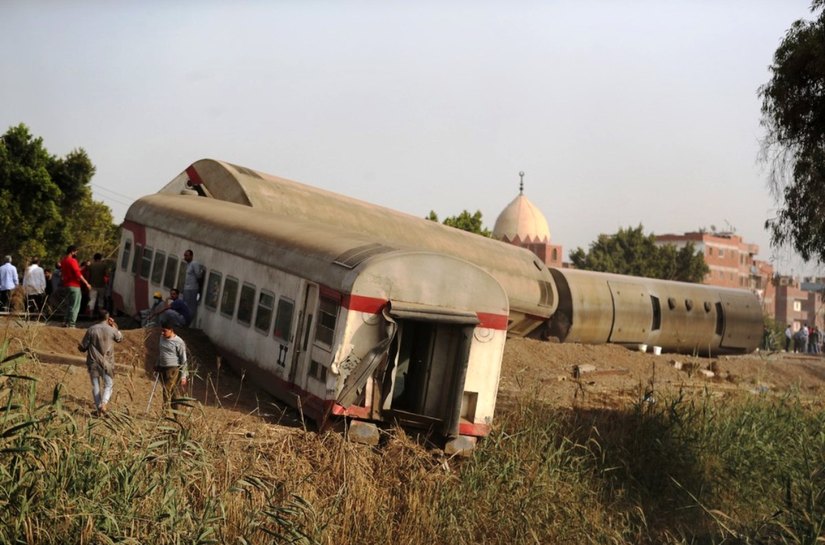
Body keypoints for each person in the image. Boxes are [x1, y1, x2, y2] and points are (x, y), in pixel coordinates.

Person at [78, 310, 123, 415]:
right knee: (109, 384)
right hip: (107, 363)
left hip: (93, 361)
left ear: (97, 317)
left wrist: (80, 347)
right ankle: (104, 404)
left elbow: (83, 347)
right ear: (107, 318)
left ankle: (99, 408)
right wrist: (114, 325)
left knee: (96, 385)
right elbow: (120, 338)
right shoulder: (112, 330)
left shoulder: (91, 329)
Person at [155, 322, 188, 408]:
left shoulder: (179, 342)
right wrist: (157, 364)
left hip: (173, 369)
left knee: (166, 389)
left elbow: (183, 359)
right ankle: (176, 412)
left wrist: (184, 376)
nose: (162, 333)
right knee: (173, 391)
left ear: (171, 330)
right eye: (162, 330)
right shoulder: (161, 338)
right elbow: (161, 352)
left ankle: (164, 412)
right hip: (162, 368)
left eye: (164, 331)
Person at [60, 245, 91, 328]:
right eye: (76, 252)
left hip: (66, 285)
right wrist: (86, 283)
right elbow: (78, 273)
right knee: (75, 305)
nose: (76, 253)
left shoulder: (63, 261)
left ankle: (65, 322)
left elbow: (76, 270)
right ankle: (71, 324)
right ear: (72, 252)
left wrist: (84, 266)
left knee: (69, 304)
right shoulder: (73, 260)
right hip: (74, 285)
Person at [182, 249, 204, 326]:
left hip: (192, 289)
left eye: (187, 255)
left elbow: (198, 275)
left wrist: (199, 287)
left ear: (191, 256)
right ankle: (184, 321)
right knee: (185, 305)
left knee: (191, 307)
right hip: (187, 288)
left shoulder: (194, 264)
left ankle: (187, 323)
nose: (185, 257)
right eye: (185, 255)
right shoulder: (188, 265)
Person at [85, 253, 108, 318]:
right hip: (101, 285)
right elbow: (106, 274)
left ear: (94, 258)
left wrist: (88, 283)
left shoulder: (91, 265)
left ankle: (91, 315)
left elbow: (88, 275)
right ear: (100, 258)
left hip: (92, 285)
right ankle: (100, 314)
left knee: (92, 299)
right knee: (101, 299)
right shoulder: (104, 265)